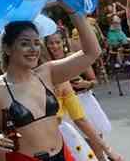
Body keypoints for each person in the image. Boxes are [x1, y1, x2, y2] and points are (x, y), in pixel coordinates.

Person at [0, 1, 102, 161]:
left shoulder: (47, 73)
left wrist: (73, 11)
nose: (33, 49)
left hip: (63, 155)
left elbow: (92, 52)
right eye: (24, 43)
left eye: (36, 43)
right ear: (7, 49)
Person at [45, 32, 122, 161]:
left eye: (57, 42)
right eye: (51, 43)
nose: (54, 46)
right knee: (81, 147)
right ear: (46, 46)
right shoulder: (46, 66)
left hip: (84, 102)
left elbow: (94, 81)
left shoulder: (75, 58)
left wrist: (85, 83)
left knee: (96, 142)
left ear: (63, 42)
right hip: (65, 109)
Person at [106, 2, 130, 68]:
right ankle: (115, 62)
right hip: (113, 33)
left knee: (126, 45)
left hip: (120, 32)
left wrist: (120, 5)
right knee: (115, 47)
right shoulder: (109, 15)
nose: (111, 7)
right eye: (110, 6)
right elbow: (114, 14)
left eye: (111, 6)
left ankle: (126, 60)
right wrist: (114, 6)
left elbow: (127, 10)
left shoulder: (117, 14)